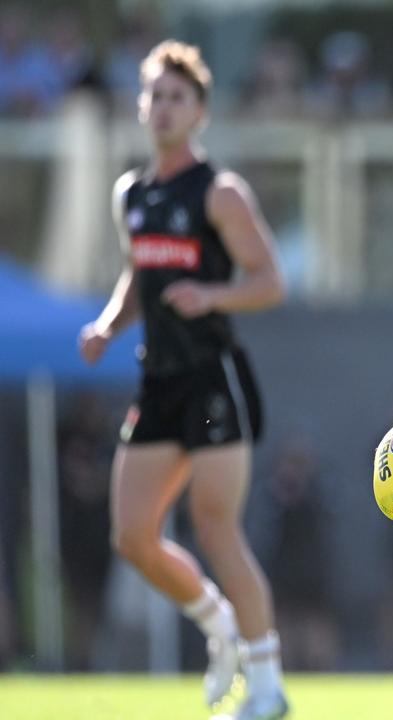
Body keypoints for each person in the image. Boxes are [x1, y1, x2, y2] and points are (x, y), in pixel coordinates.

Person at [78, 40, 289, 719]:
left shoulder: (219, 192)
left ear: (199, 111)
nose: (163, 108)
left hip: (211, 378)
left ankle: (266, 686)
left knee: (216, 527)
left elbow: (269, 283)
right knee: (132, 536)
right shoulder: (132, 194)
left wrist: (211, 296)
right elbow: (138, 276)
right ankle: (217, 624)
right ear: (143, 106)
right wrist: (111, 324)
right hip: (158, 383)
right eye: (155, 95)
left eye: (177, 97)